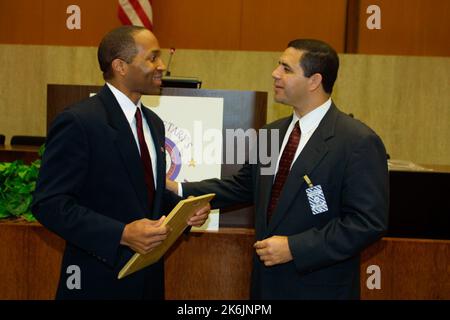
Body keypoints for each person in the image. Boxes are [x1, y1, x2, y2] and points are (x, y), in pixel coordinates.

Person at [167, 39, 389, 299]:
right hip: (266, 287)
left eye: (286, 68)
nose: (275, 73)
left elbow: (367, 223)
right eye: (278, 65)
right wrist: (179, 188)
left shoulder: (357, 141)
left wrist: (295, 248)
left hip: (320, 289)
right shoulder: (272, 133)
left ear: (314, 80)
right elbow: (244, 186)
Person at [31, 26, 210, 300]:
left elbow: (145, 195)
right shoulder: (79, 121)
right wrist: (121, 234)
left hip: (147, 279)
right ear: (120, 66)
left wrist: (184, 215)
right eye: (153, 58)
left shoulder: (154, 123)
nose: (162, 66)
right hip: (96, 281)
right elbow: (50, 204)